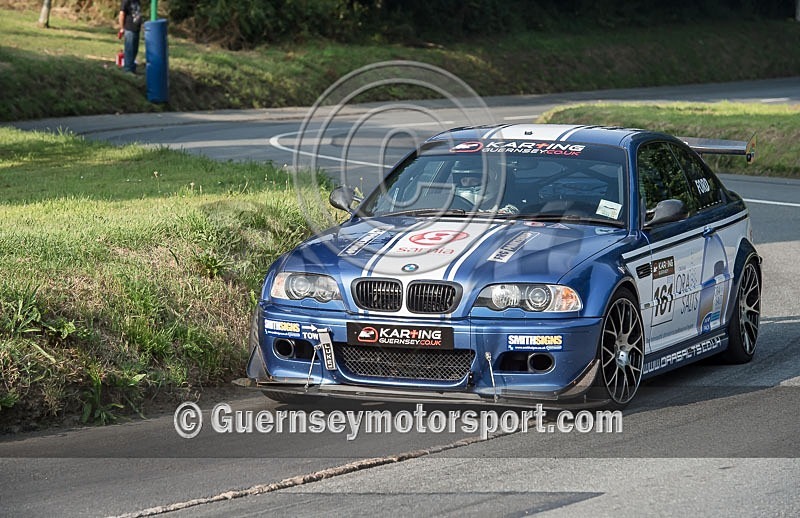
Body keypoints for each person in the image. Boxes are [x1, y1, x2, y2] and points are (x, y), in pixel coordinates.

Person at [118, 0, 143, 74]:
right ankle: (128, 70)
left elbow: (138, 14)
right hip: (129, 28)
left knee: (134, 50)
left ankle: (132, 68)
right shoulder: (126, 1)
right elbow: (121, 14)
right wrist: (122, 28)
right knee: (129, 50)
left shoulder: (137, 1)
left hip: (136, 29)